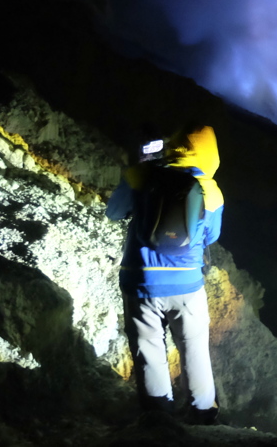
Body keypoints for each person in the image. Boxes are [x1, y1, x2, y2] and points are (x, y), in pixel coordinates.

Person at [105, 124, 223, 424]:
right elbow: (211, 235)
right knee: (194, 349)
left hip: (141, 279)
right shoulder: (210, 190)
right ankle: (203, 413)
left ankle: (159, 416)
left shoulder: (142, 177)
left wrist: (136, 173)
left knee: (148, 348)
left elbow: (114, 212)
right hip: (187, 284)